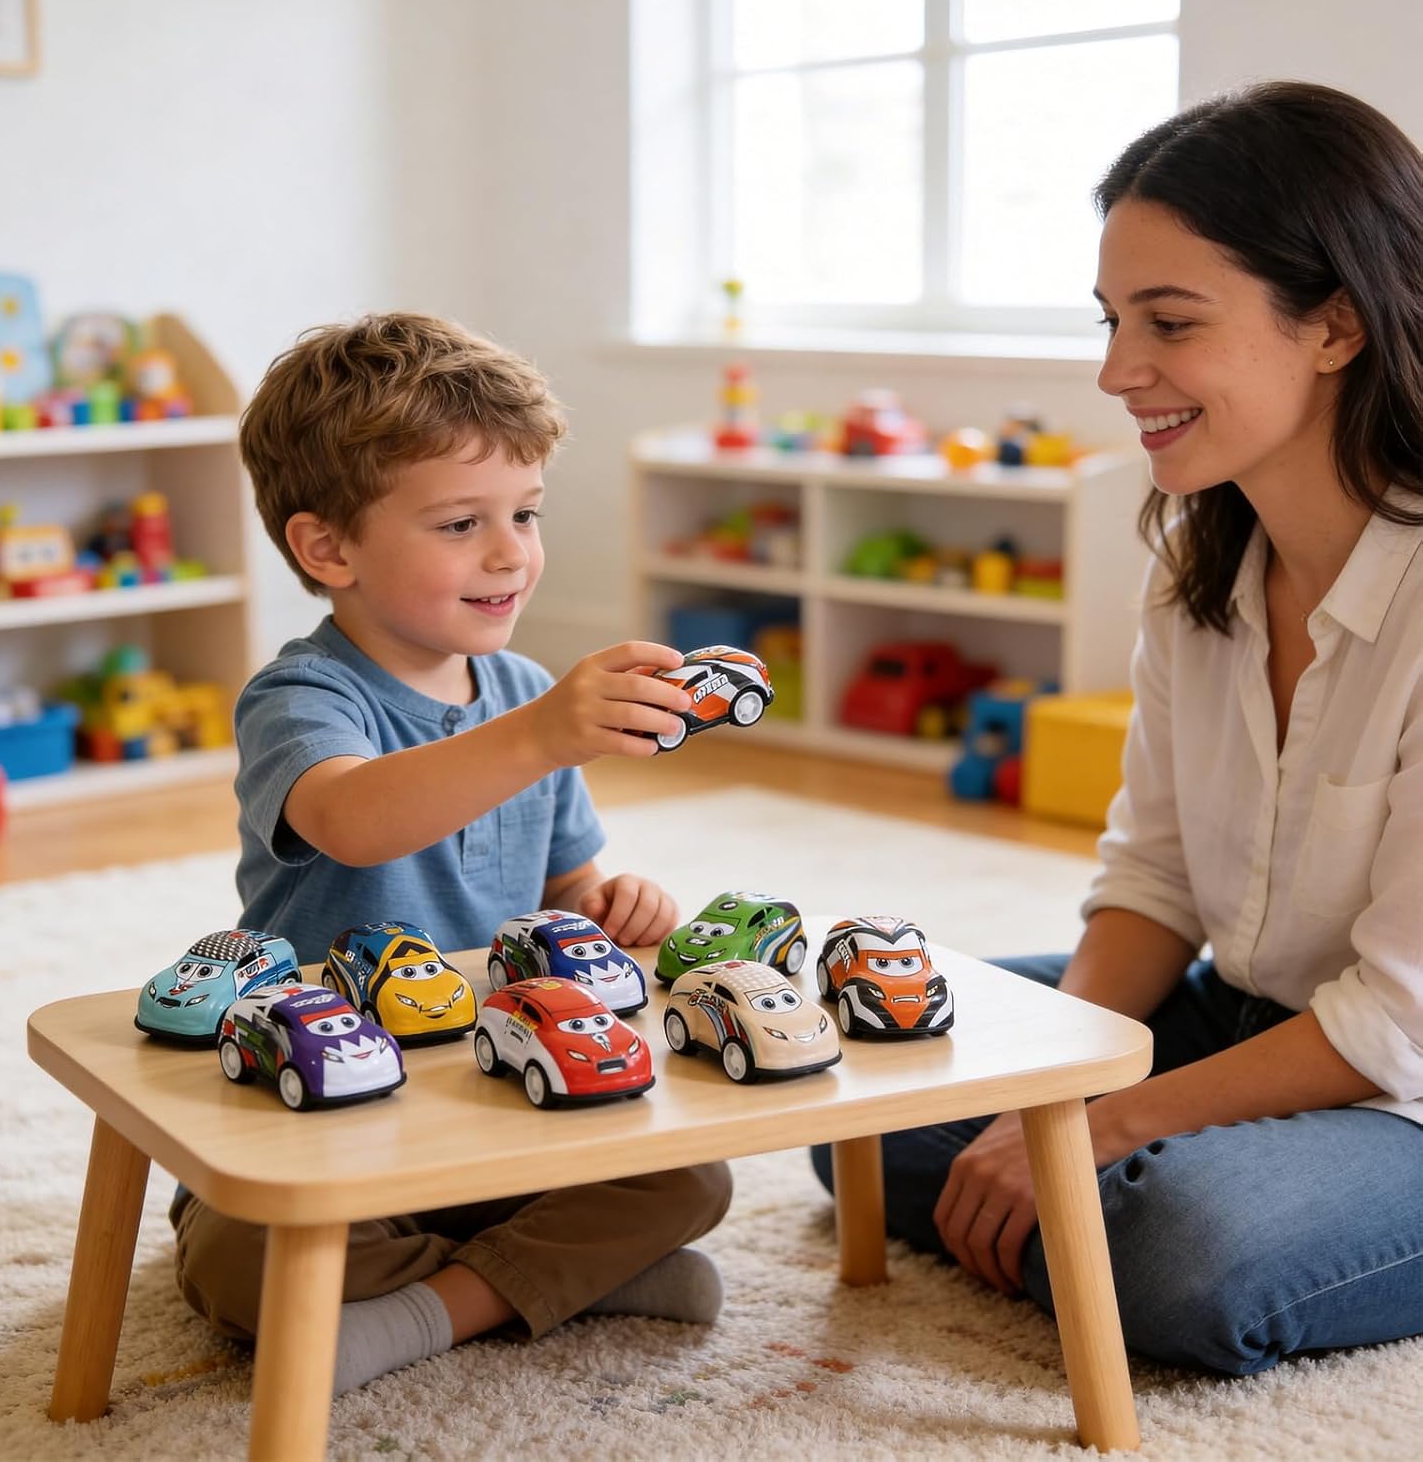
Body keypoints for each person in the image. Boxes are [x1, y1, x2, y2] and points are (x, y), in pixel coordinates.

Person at [813, 80, 1423, 1375]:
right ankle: (1096, 1193)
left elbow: (1396, 1022)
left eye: (1171, 323)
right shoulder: (1199, 567)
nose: (1114, 372)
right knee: (860, 1092)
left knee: (1176, 1253)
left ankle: (1163, 1208)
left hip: (1404, 1089)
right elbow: (1152, 880)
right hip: (1246, 1016)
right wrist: (1062, 1086)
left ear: (1337, 325)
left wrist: (1088, 1130)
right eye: (1111, 320)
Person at [171, 312, 731, 1395]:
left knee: (689, 1179)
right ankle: (545, 1285)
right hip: (322, 1096)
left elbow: (561, 891)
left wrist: (612, 903)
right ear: (328, 547)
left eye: (525, 512)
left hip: (492, 1092)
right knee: (237, 1261)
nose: (512, 551)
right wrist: (541, 735)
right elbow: (353, 819)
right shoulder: (302, 698)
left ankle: (430, 1310)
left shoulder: (527, 698)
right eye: (461, 522)